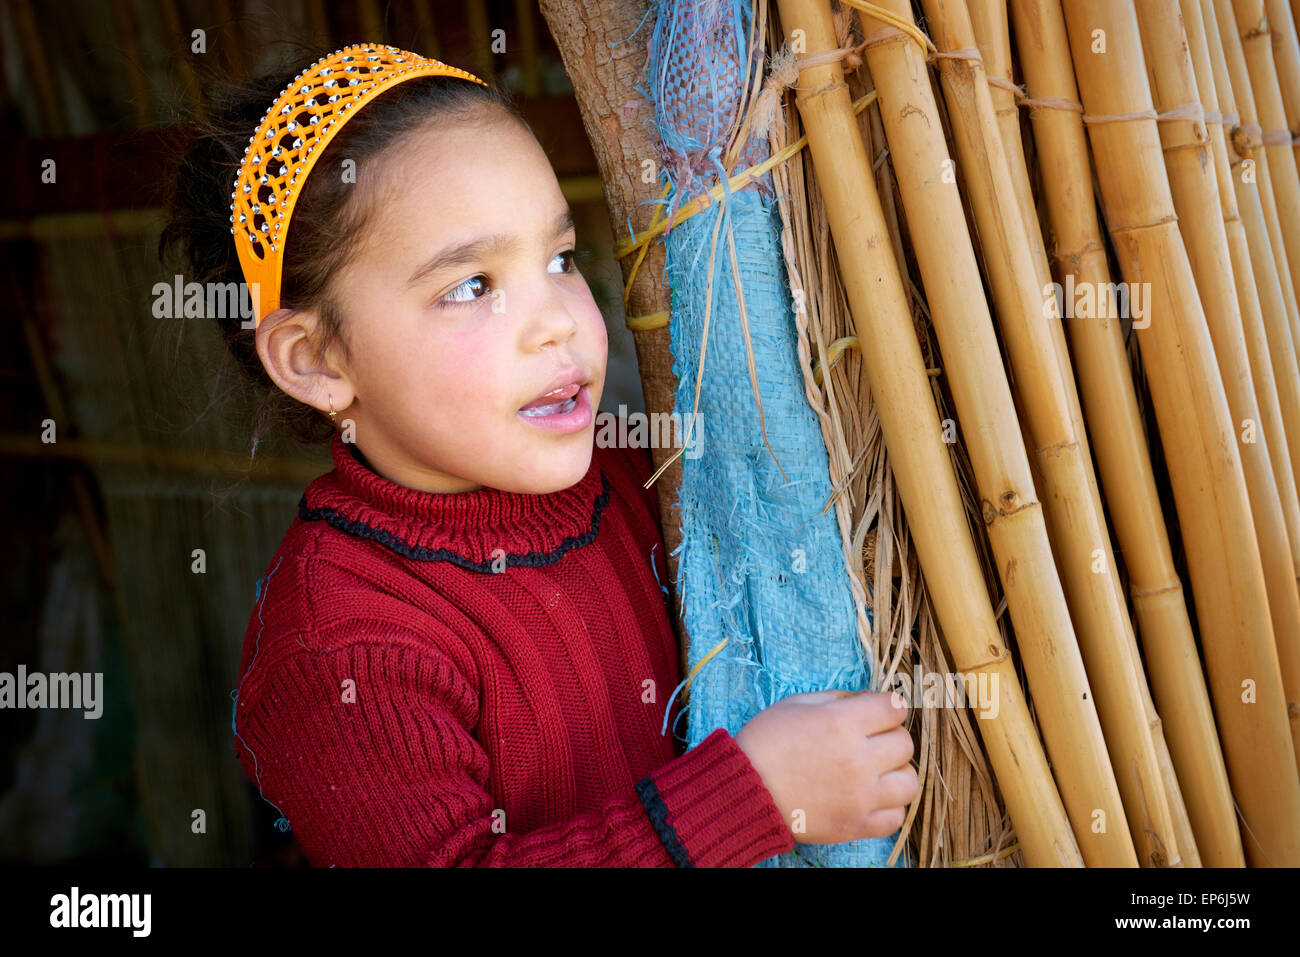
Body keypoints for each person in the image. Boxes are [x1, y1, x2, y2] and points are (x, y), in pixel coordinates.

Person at [161, 44, 918, 867]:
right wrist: (751, 798)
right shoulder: (342, 644)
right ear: (318, 362)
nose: (556, 319)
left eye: (558, 260)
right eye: (472, 286)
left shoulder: (647, 484)